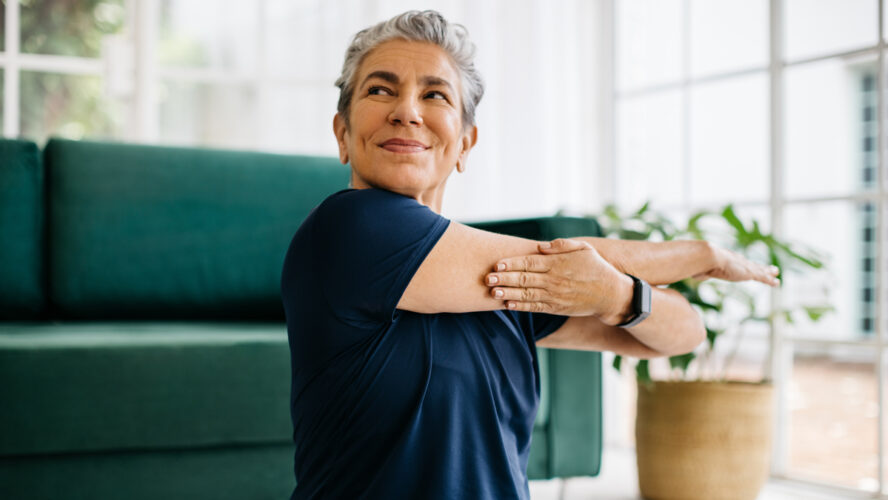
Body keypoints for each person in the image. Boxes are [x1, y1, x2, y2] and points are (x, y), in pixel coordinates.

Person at [279, 10, 780, 500]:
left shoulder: (505, 280)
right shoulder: (346, 229)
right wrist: (699, 254)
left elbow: (681, 334)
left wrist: (618, 295)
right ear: (343, 133)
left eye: (435, 94)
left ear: (465, 145)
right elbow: (556, 262)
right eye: (380, 90)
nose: (406, 110)